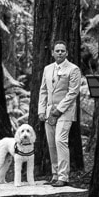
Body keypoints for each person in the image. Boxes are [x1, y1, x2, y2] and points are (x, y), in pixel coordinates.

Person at [36, 41, 86, 187]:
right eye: (57, 51)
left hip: (65, 112)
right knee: (51, 144)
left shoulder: (73, 69)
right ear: (52, 52)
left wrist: (59, 109)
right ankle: (55, 174)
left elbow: (73, 92)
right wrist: (41, 110)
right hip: (49, 111)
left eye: (62, 51)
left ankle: (64, 176)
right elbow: (43, 90)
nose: (59, 53)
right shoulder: (47, 69)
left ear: (67, 53)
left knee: (60, 140)